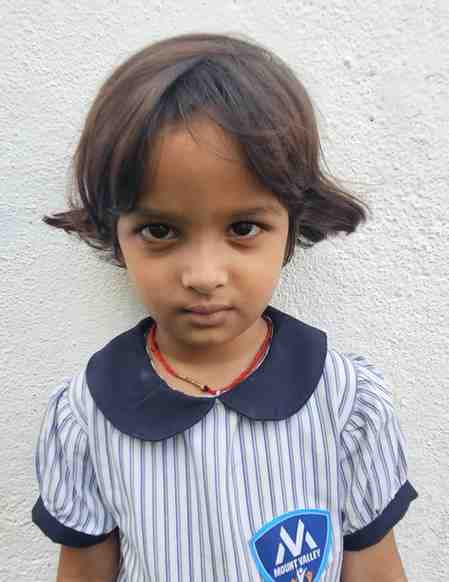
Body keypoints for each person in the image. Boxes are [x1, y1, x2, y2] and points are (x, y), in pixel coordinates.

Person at [31, 32, 418, 582]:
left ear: (291, 227)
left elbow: (376, 570)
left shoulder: (347, 404)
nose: (204, 276)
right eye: (159, 230)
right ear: (116, 235)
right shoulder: (86, 416)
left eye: (243, 227)